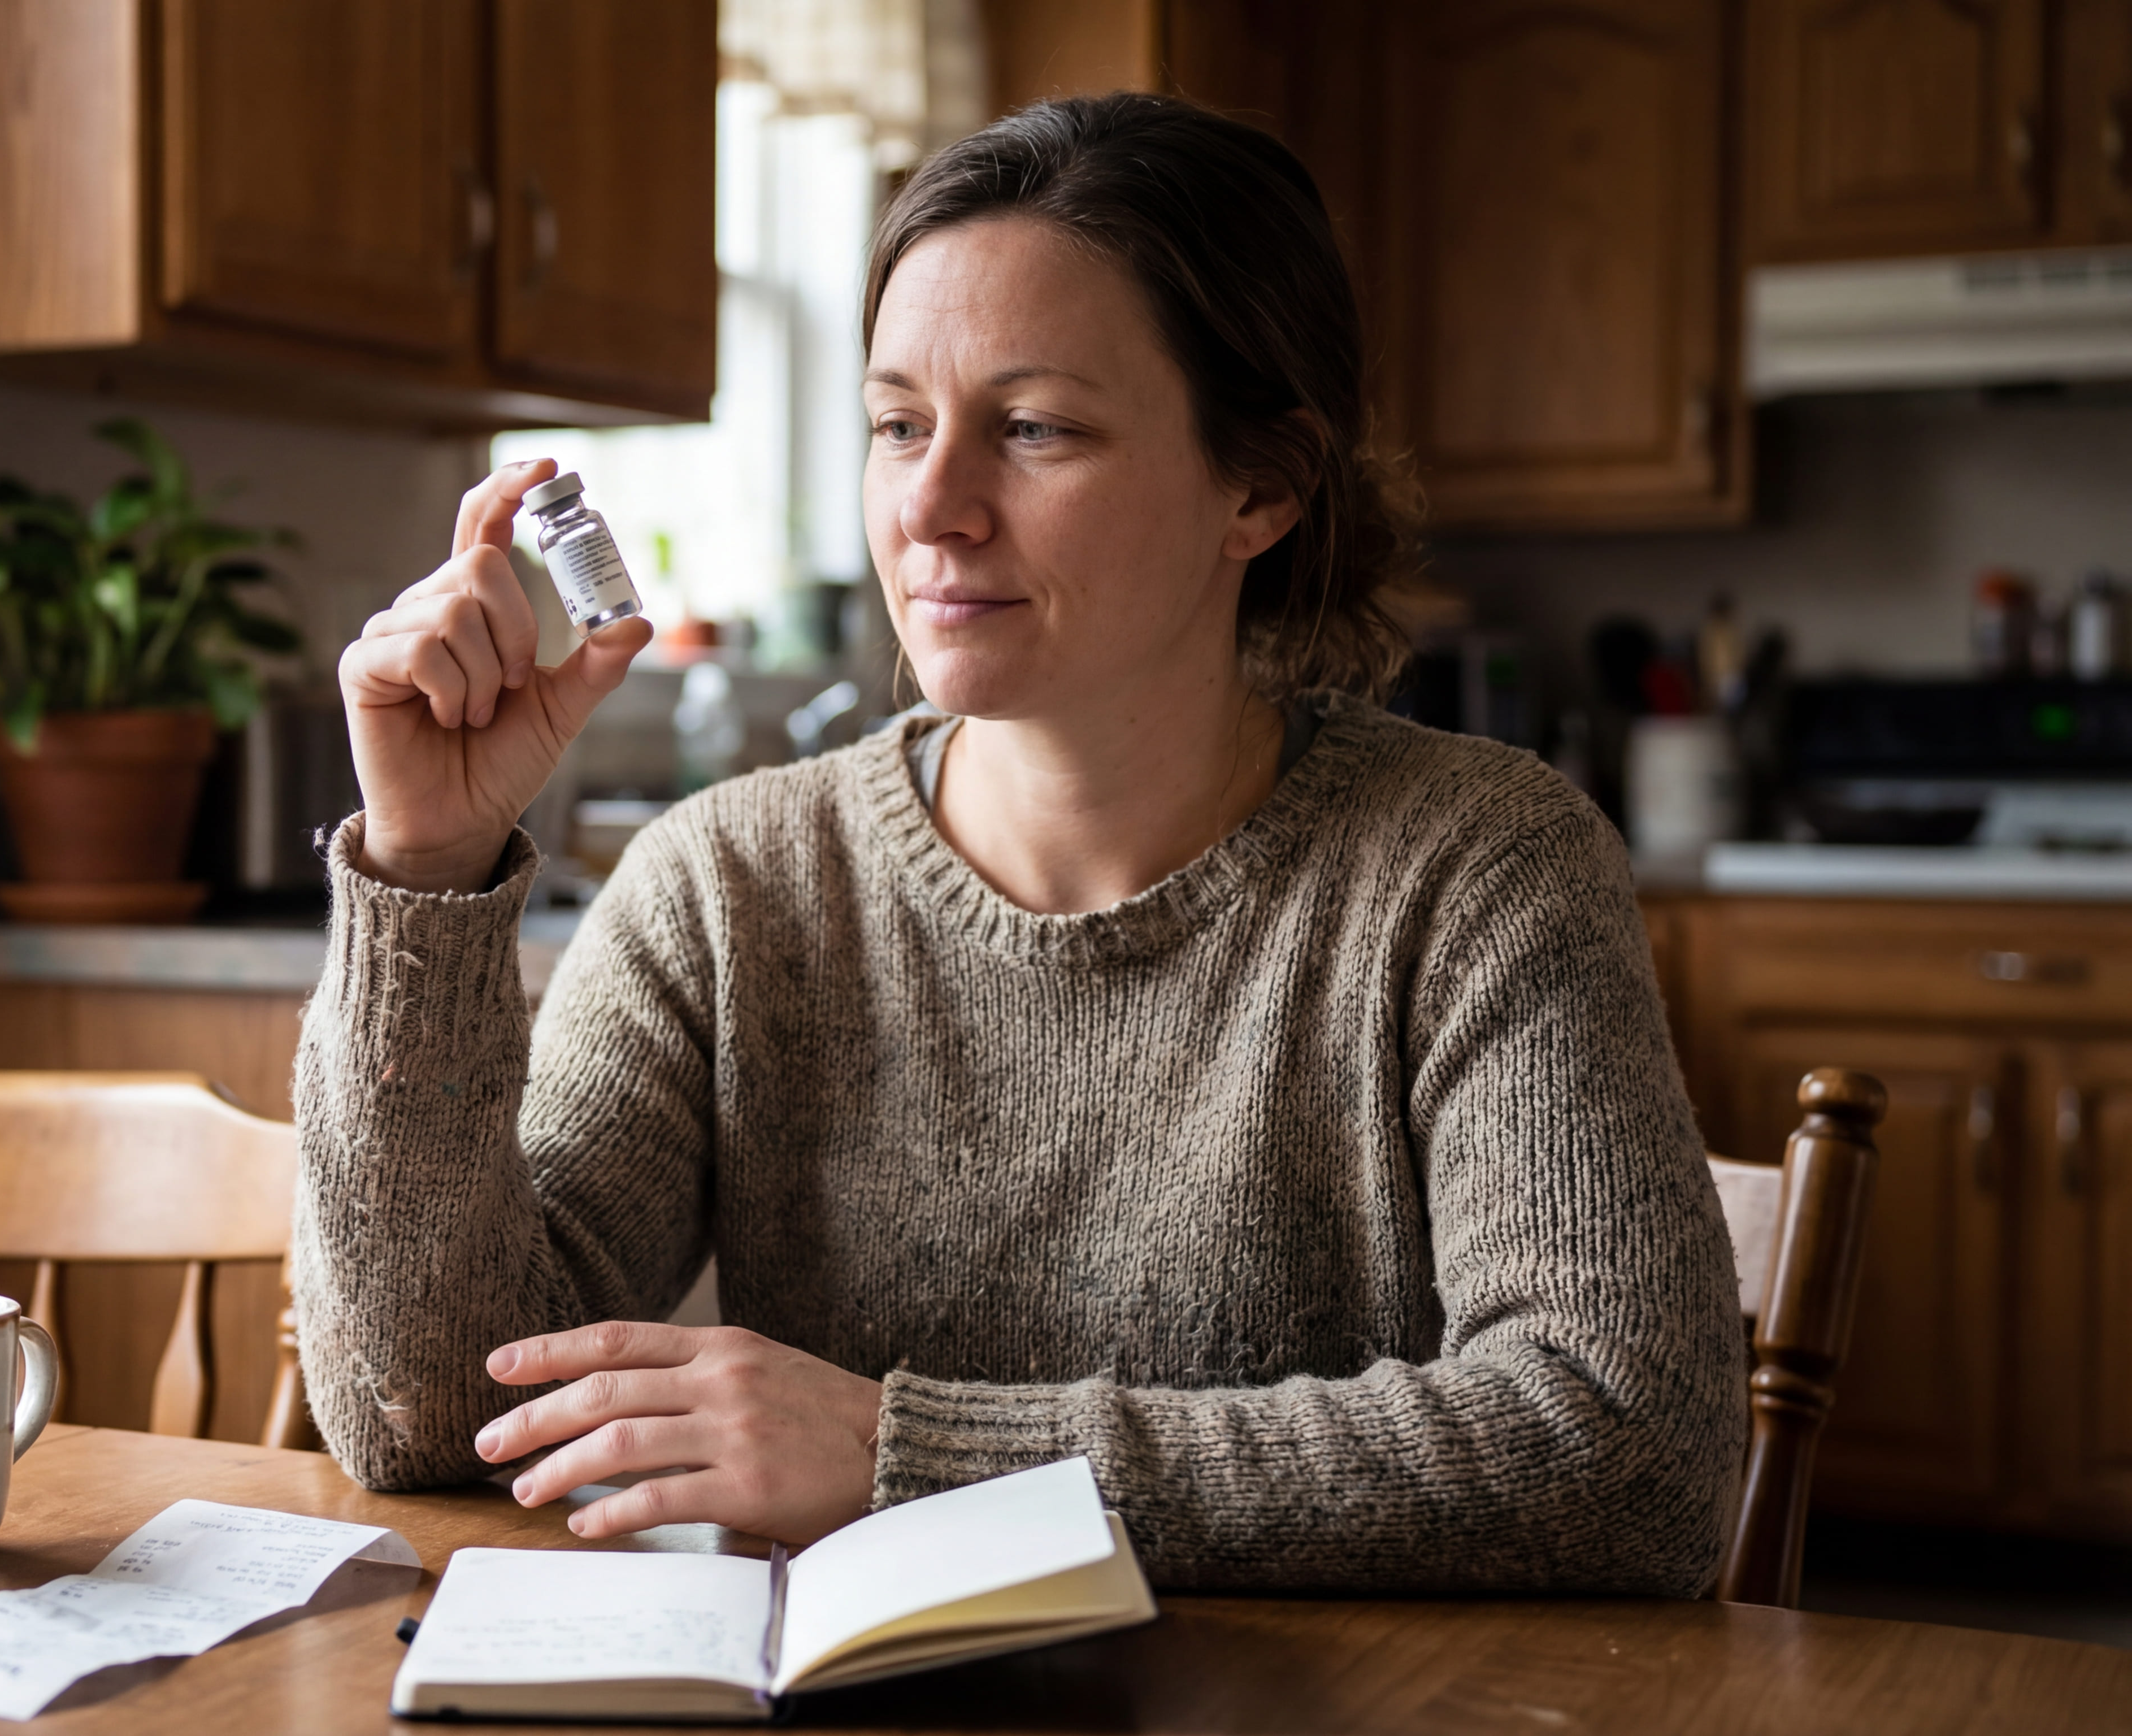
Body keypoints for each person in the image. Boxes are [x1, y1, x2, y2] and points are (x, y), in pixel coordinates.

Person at [292, 92, 1744, 1594]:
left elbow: (1632, 1457)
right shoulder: (727, 887)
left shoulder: (1478, 868)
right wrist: (426, 873)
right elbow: (439, 1416)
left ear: (1261, 484)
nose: (931, 507)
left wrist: (915, 1464)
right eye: (898, 425)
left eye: (1035, 428)